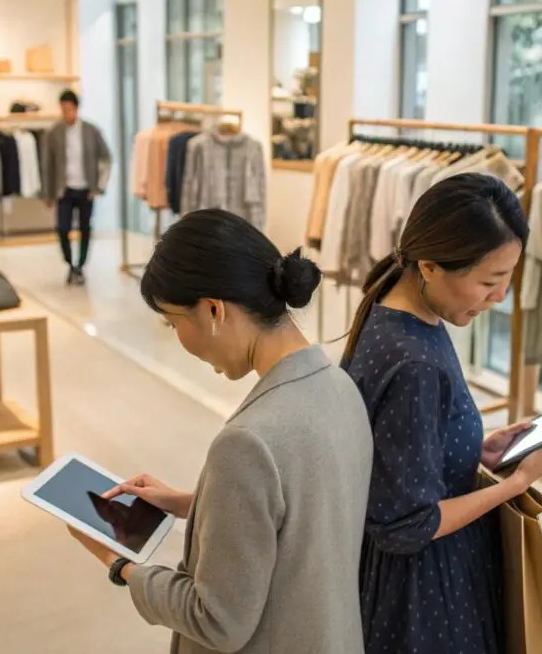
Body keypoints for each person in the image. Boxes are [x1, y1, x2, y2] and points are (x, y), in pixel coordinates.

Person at [67, 208, 373, 654]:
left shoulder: (248, 442)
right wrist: (197, 503)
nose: (177, 337)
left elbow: (216, 620)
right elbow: (303, 517)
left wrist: (118, 563)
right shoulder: (341, 388)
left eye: (173, 322)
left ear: (213, 309)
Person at [342, 173, 542, 654]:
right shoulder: (415, 362)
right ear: (429, 266)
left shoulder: (396, 311)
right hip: (423, 593)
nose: (501, 296)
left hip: (411, 581)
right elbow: (408, 525)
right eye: (489, 281)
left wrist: (474, 450)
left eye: (508, 277)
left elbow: (390, 454)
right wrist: (517, 483)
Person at [41, 89, 112, 286]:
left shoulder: (91, 131)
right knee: (63, 228)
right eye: (63, 109)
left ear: (76, 108)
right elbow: (47, 165)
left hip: (86, 189)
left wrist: (99, 186)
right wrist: (47, 193)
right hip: (64, 189)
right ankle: (69, 262)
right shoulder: (54, 132)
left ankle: (80, 265)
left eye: (69, 109)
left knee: (85, 228)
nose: (66, 113)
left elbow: (106, 158)